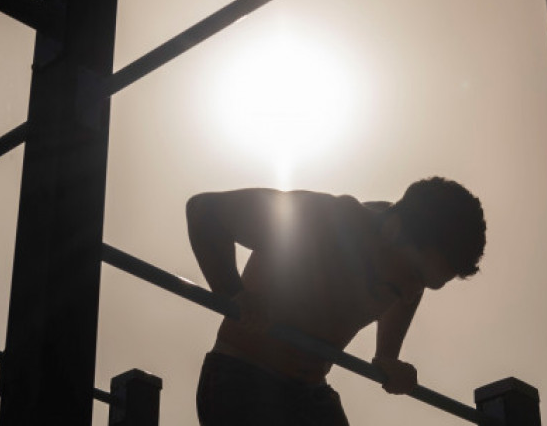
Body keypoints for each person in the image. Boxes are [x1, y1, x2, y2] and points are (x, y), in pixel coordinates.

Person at [187, 177, 486, 426]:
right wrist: (231, 294)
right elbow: (205, 210)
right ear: (393, 229)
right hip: (241, 381)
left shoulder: (406, 269)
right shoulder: (319, 220)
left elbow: (408, 295)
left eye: (426, 285)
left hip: (311, 392)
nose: (410, 292)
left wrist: (388, 356)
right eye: (414, 275)